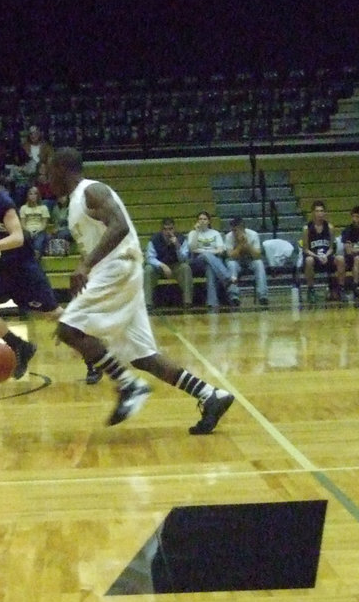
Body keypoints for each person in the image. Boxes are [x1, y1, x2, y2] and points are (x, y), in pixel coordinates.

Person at [46, 148, 235, 434]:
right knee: (142, 355)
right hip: (113, 273)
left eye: (48, 171)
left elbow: (119, 226)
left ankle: (128, 385)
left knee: (67, 329)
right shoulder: (74, 202)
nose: (46, 178)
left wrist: (86, 265)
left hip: (118, 269)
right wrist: (87, 274)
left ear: (61, 168)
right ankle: (211, 395)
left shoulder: (91, 190)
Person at [0, 160, 59, 379]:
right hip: (0, 272)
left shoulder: (3, 202)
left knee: (54, 315)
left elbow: (18, 237)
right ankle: (21, 346)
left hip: (24, 270)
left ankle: (92, 356)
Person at [186, 211, 239, 309]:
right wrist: (197, 232)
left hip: (212, 262)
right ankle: (227, 277)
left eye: (204, 219)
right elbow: (192, 249)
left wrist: (205, 251)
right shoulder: (192, 233)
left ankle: (212, 302)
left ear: (209, 221)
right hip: (197, 262)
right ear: (197, 221)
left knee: (210, 268)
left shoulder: (215, 233)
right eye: (200, 219)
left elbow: (220, 250)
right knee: (206, 255)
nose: (202, 221)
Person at [143, 217, 194, 309]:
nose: (168, 232)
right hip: (159, 267)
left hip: (176, 266)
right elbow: (149, 258)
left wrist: (177, 246)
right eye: (165, 229)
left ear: (174, 229)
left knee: (185, 267)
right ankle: (148, 303)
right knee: (148, 269)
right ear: (161, 230)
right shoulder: (154, 239)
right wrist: (162, 265)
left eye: (170, 229)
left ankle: (187, 302)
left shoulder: (181, 239)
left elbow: (184, 259)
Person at [302, 200, 345, 301]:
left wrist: (326, 255)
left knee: (340, 259)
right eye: (317, 211)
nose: (319, 213)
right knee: (309, 260)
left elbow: (331, 247)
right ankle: (311, 290)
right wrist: (317, 256)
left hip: (326, 257)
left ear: (324, 213)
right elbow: (306, 249)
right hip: (313, 257)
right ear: (313, 213)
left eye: (321, 211)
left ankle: (341, 289)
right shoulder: (306, 228)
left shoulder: (329, 227)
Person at [224, 217, 269, 307]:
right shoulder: (228, 236)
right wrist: (240, 245)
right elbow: (230, 256)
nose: (234, 232)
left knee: (259, 263)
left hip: (251, 261)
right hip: (236, 262)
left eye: (236, 230)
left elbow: (257, 255)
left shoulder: (253, 235)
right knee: (231, 264)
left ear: (243, 228)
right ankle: (234, 296)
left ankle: (263, 295)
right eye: (233, 230)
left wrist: (247, 245)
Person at [19, 186, 52, 258]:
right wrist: (29, 231)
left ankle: (35, 260)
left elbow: (44, 224)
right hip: (27, 230)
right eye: (31, 194)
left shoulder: (43, 208)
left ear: (38, 195)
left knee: (39, 241)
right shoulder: (23, 208)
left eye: (35, 194)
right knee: (25, 237)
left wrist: (37, 231)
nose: (33, 196)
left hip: (40, 229)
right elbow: (23, 224)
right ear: (28, 196)